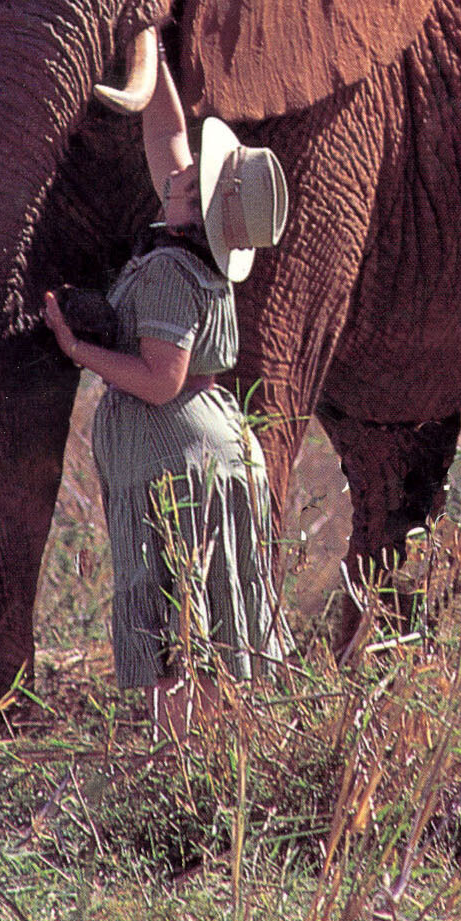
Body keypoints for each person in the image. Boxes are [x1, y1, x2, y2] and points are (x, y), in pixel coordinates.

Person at [43, 43, 290, 740]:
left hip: (176, 455)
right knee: (204, 615)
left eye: (196, 185)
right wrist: (146, 42)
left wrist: (77, 348)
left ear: (200, 213)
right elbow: (168, 134)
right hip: (207, 445)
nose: (183, 176)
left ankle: (180, 762)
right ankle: (208, 760)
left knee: (175, 620)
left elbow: (161, 380)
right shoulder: (197, 260)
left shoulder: (165, 275)